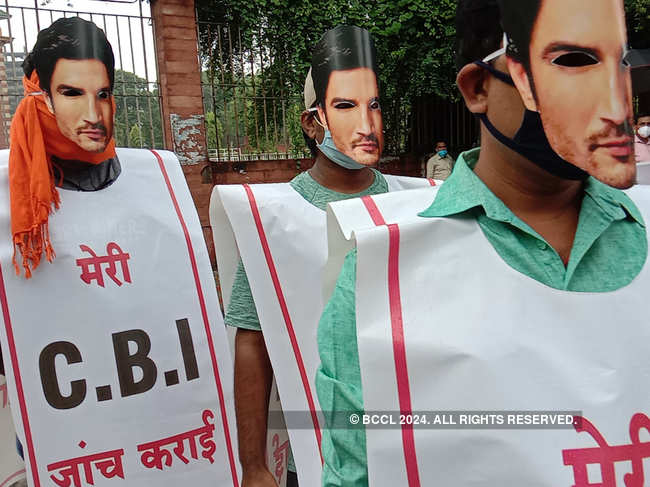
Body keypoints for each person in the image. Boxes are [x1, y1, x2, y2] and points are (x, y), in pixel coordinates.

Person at [317, 0, 648, 485]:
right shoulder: (384, 279)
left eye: (620, 62)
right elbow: (358, 469)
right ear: (477, 89)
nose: (613, 99)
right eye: (572, 62)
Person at [0, 18, 238, 487]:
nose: (93, 112)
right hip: (68, 434)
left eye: (103, 94)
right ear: (39, 95)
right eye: (71, 93)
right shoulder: (15, 196)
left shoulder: (154, 182)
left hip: (162, 429)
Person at [211, 25, 432, 487]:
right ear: (313, 123)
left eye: (374, 105)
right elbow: (252, 342)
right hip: (320, 453)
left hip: (418, 443)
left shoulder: (417, 204)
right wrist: (253, 465)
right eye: (346, 106)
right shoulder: (276, 220)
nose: (367, 123)